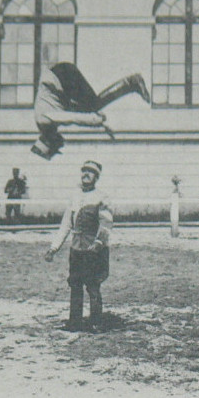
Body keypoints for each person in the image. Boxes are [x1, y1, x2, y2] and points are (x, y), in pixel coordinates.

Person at [44, 160, 113, 332]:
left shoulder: (101, 197)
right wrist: (54, 248)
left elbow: (106, 224)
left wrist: (98, 243)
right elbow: (66, 224)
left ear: (96, 177)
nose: (86, 175)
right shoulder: (74, 197)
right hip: (76, 250)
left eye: (90, 172)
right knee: (75, 284)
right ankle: (75, 322)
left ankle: (96, 322)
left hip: (93, 250)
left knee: (92, 285)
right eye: (84, 171)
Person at [31, 62, 150, 160]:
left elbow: (73, 118)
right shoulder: (46, 122)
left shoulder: (45, 122)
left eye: (55, 146)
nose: (60, 142)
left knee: (92, 105)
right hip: (60, 75)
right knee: (87, 108)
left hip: (62, 75)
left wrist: (96, 120)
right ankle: (130, 83)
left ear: (48, 141)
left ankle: (131, 82)